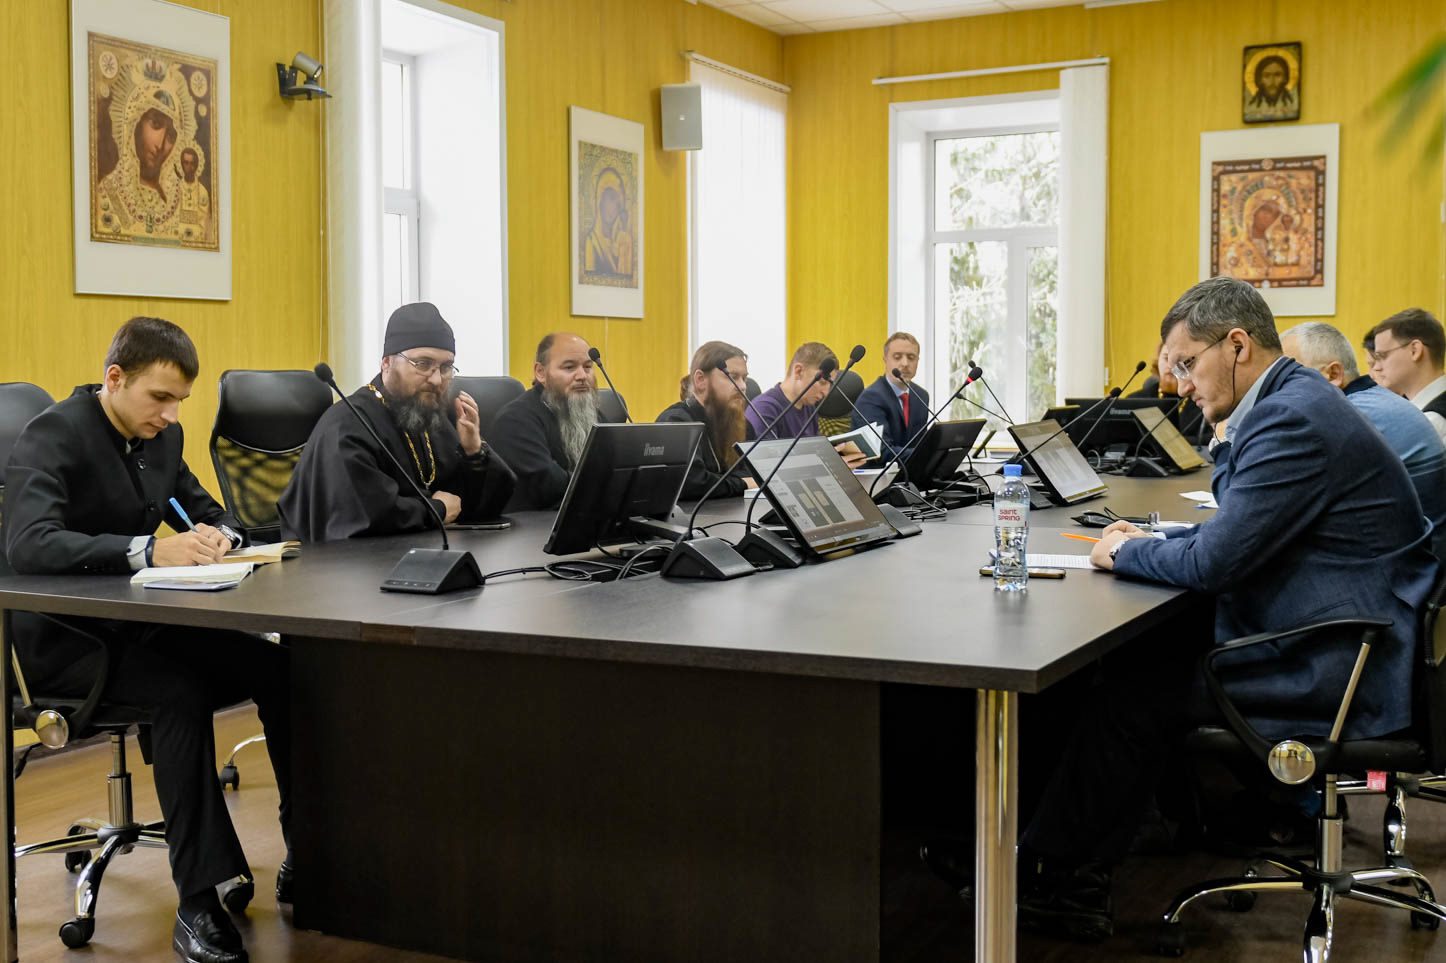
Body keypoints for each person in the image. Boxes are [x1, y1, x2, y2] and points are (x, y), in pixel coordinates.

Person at [1015, 278, 1438, 942]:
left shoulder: (1290, 417)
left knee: (1132, 688)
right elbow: (1244, 529)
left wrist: (1124, 553)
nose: (1181, 384)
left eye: (1188, 363)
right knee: (1146, 657)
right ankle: (1068, 852)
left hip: (1338, 662)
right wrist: (1157, 539)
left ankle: (1060, 878)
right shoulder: (1296, 399)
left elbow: (1216, 563)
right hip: (1350, 632)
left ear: (1237, 345)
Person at [1, 317, 292, 963]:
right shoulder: (52, 435)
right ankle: (197, 904)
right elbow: (30, 544)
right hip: (61, 644)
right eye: (160, 397)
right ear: (115, 378)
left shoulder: (162, 435)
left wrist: (221, 536)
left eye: (180, 400)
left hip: (139, 625)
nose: (171, 414)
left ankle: (311, 849)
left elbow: (206, 509)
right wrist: (148, 549)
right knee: (177, 692)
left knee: (276, 666)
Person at [279, 303, 515, 541]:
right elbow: (361, 516)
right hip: (340, 561)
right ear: (387, 363)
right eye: (423, 364)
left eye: (445, 367)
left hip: (419, 553)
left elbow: (481, 503)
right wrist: (437, 511)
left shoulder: (430, 416)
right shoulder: (347, 425)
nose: (436, 379)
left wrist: (473, 452)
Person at [1282, 321, 1446, 539]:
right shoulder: (1376, 398)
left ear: (1333, 374)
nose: (1280, 391)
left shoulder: (1347, 414)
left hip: (1416, 549)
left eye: (1290, 378)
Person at [489, 332, 617, 511]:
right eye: (569, 367)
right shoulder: (515, 421)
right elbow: (551, 486)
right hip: (535, 522)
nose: (582, 375)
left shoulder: (594, 416)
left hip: (585, 515)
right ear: (541, 373)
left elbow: (617, 468)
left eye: (588, 367)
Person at [656, 341, 757, 500]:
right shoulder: (676, 422)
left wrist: (727, 481)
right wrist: (742, 483)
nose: (743, 386)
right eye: (733, 377)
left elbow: (756, 473)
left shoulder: (742, 424)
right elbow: (692, 483)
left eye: (744, 378)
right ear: (700, 380)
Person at [745, 342, 867, 468]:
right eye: (822, 382)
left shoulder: (808, 407)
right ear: (798, 371)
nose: (826, 392)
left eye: (830, 384)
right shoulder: (764, 409)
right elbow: (767, 466)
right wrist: (828, 465)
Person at [1363, 308, 1446, 446]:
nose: (1376, 367)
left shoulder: (1431, 422)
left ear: (1415, 350)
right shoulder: (1415, 411)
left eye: (1382, 356)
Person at [853, 332, 929, 461]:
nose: (905, 363)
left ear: (918, 361)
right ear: (885, 360)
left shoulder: (921, 395)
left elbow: (920, 442)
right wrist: (927, 454)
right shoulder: (871, 398)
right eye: (897, 357)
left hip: (911, 469)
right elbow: (881, 451)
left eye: (911, 357)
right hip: (878, 471)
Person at [1130, 340, 1207, 443]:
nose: (1171, 366)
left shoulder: (1202, 402)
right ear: (1157, 360)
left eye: (1178, 361)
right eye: (1166, 358)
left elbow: (1212, 439)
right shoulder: (1135, 400)